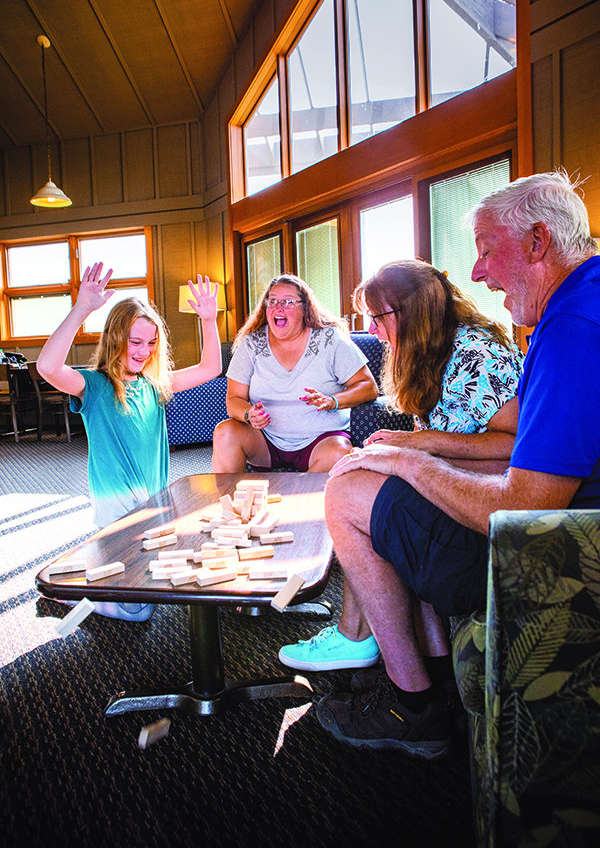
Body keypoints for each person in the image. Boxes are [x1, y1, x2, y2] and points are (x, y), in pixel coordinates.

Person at [314, 170, 600, 760]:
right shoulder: (577, 306)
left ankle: (411, 706)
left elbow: (523, 505)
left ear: (539, 242)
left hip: (549, 554)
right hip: (565, 522)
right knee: (387, 486)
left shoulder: (573, 325)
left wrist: (412, 460)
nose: (475, 272)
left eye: (487, 252)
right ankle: (431, 671)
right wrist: (418, 455)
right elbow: (541, 446)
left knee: (347, 494)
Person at [278, 259, 523, 672]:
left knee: (352, 489)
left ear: (408, 313)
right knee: (365, 474)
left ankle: (358, 639)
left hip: (482, 513)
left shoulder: (476, 353)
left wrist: (418, 444)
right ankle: (431, 662)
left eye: (376, 318)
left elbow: (515, 445)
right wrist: (405, 450)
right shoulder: (429, 351)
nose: (371, 330)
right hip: (452, 490)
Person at [37, 262, 221, 622]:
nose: (143, 351)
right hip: (118, 520)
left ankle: (94, 568)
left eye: (151, 343)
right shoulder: (94, 385)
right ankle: (78, 589)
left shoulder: (154, 385)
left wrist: (208, 320)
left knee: (182, 573)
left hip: (156, 512)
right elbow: (47, 367)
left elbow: (210, 368)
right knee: (140, 610)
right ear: (115, 340)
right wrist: (82, 308)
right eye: (135, 342)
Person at [211, 273, 378, 473]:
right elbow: (233, 399)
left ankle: (297, 499)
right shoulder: (251, 343)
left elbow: (368, 386)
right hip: (265, 440)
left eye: (288, 302)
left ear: (304, 308)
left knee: (340, 453)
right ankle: (232, 502)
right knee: (224, 432)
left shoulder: (330, 338)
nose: (278, 307)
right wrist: (248, 414)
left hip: (320, 440)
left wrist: (333, 400)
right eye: (272, 301)